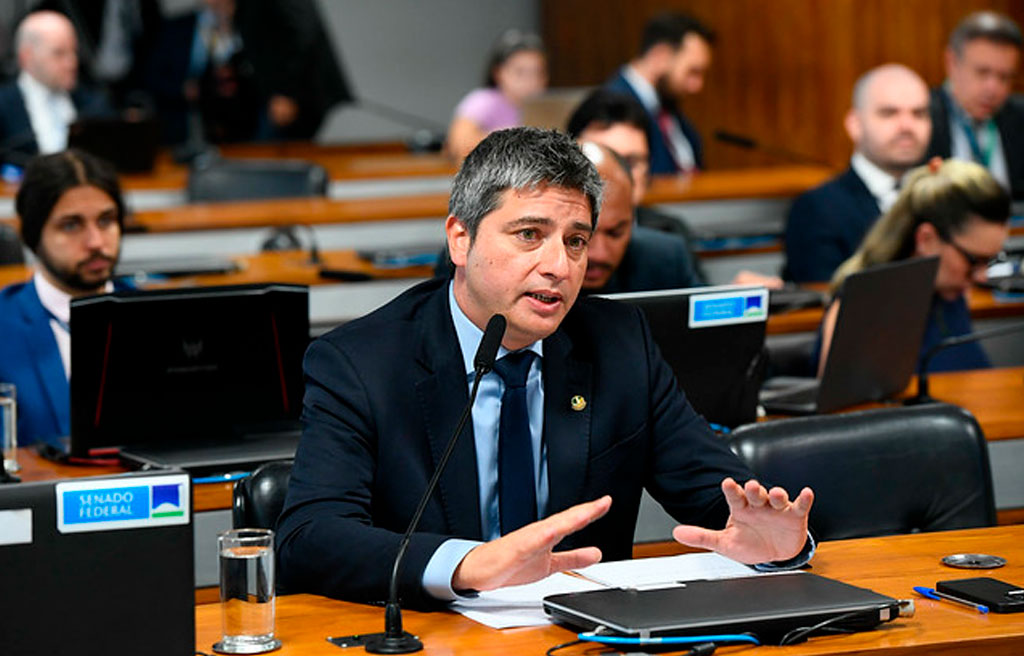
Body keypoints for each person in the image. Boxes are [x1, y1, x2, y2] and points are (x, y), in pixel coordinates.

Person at [277, 127, 814, 608]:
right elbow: (310, 535)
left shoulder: (619, 342)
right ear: (460, 239)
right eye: (529, 235)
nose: (560, 265)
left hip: (582, 636)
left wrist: (770, 544)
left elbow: (714, 490)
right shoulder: (360, 362)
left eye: (575, 241)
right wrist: (464, 565)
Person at [818, 158, 1009, 374]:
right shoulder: (859, 309)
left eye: (992, 260)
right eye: (975, 260)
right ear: (926, 239)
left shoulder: (950, 294)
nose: (983, 276)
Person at [0, 149, 126, 447]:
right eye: (71, 225)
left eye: (106, 221)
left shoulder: (156, 318)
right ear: (34, 235)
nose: (96, 242)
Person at [785, 64, 932, 283]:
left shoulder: (938, 197)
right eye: (889, 113)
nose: (907, 125)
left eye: (918, 113)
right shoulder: (817, 210)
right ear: (855, 124)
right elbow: (824, 302)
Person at [145, 0, 351, 144]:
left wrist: (287, 92)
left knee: (268, 155)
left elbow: (302, 31)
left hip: (294, 92)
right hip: (265, 91)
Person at [926, 11, 1024, 199]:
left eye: (1004, 77)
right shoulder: (920, 116)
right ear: (952, 62)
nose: (993, 89)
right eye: (982, 72)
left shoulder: (1020, 117)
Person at [604, 12, 713, 174]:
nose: (697, 86)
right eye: (692, 72)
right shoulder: (612, 105)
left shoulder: (667, 107)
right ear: (659, 56)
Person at [0, 11, 112, 166]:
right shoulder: (4, 106)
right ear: (27, 57)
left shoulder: (93, 103)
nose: (71, 63)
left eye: (74, 52)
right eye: (59, 53)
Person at [446, 29, 547, 161]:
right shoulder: (482, 101)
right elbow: (459, 144)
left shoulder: (548, 107)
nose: (530, 81)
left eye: (537, 73)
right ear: (498, 72)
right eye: (520, 72)